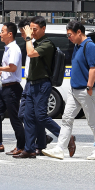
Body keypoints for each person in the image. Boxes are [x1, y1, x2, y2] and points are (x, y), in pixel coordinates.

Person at [41, 21, 95, 161]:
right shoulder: (77, 45)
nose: (68, 37)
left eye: (70, 34)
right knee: (66, 119)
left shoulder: (89, 46)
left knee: (92, 121)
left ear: (79, 32)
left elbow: (93, 68)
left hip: (85, 90)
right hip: (75, 90)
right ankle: (59, 148)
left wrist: (89, 86)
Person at [14, 16, 61, 159]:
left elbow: (31, 53)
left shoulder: (47, 44)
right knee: (27, 117)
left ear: (43, 29)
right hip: (31, 84)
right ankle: (29, 149)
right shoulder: (34, 42)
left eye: (35, 29)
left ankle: (66, 136)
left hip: (42, 84)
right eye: (31, 29)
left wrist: (28, 38)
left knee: (40, 116)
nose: (32, 32)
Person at [0, 22, 25, 155]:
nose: (0, 34)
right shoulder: (8, 48)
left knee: (15, 118)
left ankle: (21, 146)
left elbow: (13, 67)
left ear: (10, 34)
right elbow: (9, 70)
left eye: (2, 31)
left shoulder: (14, 49)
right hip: (4, 87)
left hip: (12, 88)